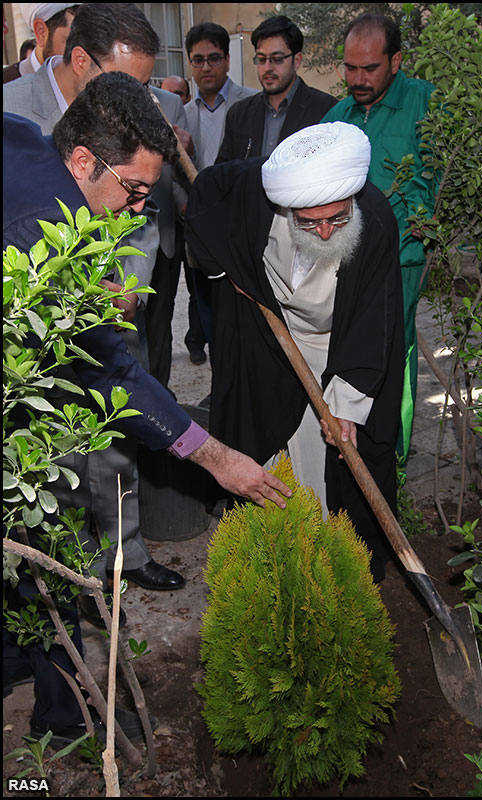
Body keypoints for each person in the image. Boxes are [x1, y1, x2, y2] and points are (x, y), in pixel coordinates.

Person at [3, 73, 291, 746]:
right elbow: (115, 376)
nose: (135, 211)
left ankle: (21, 661)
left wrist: (76, 286)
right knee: (51, 540)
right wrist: (218, 459)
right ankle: (66, 717)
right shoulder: (40, 235)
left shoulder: (22, 137)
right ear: (82, 161)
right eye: (132, 191)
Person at [3, 2, 195, 612]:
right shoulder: (29, 170)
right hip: (34, 350)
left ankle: (110, 558)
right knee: (42, 470)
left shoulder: (89, 151)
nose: (140, 99)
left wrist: (126, 287)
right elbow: (113, 371)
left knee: (106, 446)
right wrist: (208, 452)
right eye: (126, 82)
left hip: (104, 308)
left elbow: (138, 219)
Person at [185, 121, 404, 583]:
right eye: (310, 221)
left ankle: (334, 560)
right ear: (286, 209)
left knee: (338, 461)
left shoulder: (377, 219)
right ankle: (276, 553)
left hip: (339, 347)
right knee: (268, 440)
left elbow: (374, 321)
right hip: (271, 337)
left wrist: (345, 405)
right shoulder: (250, 188)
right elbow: (204, 192)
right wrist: (223, 274)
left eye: (338, 218)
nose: (325, 232)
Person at [321, 14, 437, 466]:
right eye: (350, 68)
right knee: (348, 353)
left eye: (369, 68)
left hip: (401, 264)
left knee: (393, 360)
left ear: (396, 61)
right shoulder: (340, 114)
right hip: (342, 260)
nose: (358, 79)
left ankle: (393, 462)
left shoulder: (428, 105)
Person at [181, 22, 259, 359]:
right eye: (197, 60)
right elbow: (172, 177)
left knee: (248, 314)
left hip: (242, 227)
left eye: (213, 58)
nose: (206, 67)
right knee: (209, 310)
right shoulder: (180, 115)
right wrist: (191, 211)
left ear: (227, 60)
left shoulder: (251, 104)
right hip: (199, 230)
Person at [216, 15, 337, 163]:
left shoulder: (325, 111)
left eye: (277, 59)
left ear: (297, 61)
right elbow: (224, 175)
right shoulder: (239, 115)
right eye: (261, 59)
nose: (267, 68)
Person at [3, 3, 80, 84]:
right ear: (41, 32)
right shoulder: (7, 86)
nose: (83, 53)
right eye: (74, 40)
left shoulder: (89, 80)